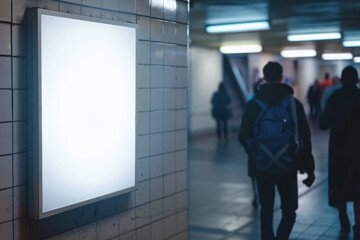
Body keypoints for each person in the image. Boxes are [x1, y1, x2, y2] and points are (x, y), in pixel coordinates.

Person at [239, 62, 315, 240]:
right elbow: (305, 137)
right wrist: (309, 169)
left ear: (264, 77)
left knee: (266, 209)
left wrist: (256, 154)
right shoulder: (293, 104)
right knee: (289, 210)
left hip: (262, 166)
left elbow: (243, 136)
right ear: (281, 77)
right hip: (288, 165)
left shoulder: (253, 105)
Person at [319, 66, 360, 235]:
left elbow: (323, 124)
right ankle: (358, 225)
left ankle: (343, 218)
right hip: (358, 150)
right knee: (358, 188)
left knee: (339, 184)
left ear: (342, 80)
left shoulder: (334, 97)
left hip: (338, 148)